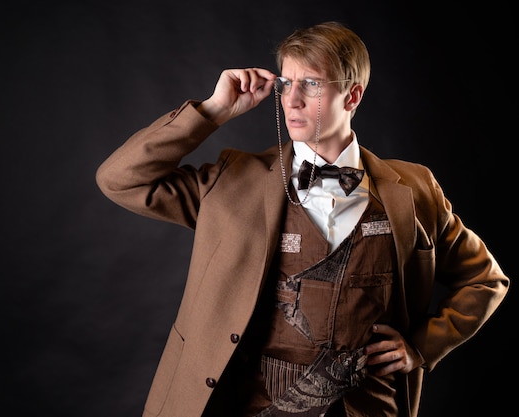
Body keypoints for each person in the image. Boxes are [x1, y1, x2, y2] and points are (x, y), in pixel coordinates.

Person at [96, 21, 509, 417]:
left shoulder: (415, 189)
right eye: (285, 83)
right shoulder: (232, 182)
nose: (290, 100)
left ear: (352, 97)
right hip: (250, 404)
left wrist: (420, 347)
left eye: (310, 84)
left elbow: (486, 280)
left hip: (367, 406)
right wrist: (213, 110)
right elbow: (120, 180)